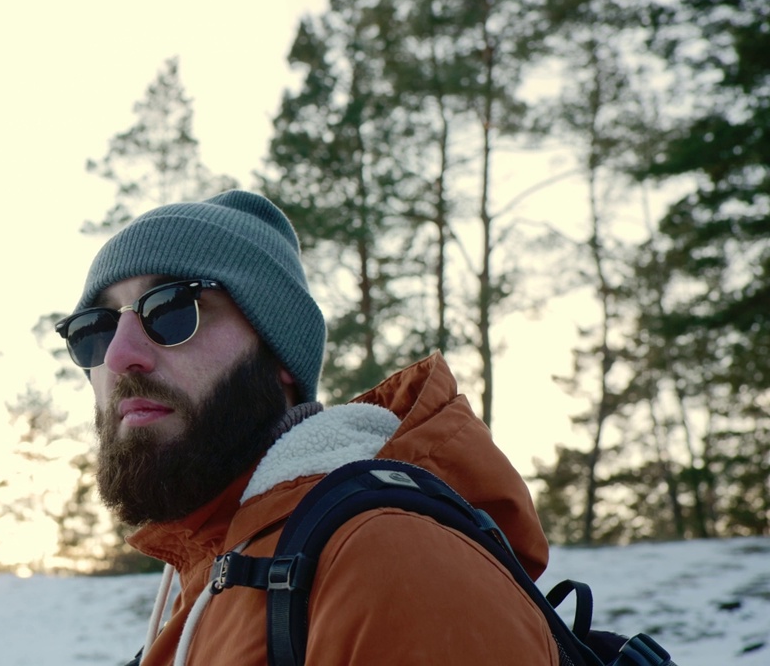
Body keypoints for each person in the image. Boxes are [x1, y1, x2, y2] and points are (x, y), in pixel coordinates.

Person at [55, 190, 558, 665]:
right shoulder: (213, 576)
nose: (119, 356)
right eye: (95, 330)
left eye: (170, 309)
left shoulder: (384, 557)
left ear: (280, 356)